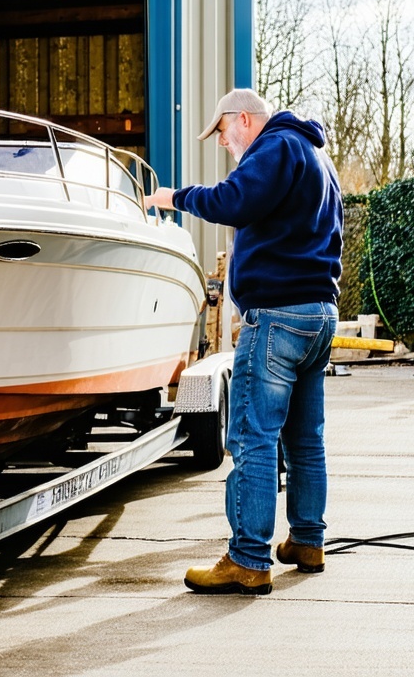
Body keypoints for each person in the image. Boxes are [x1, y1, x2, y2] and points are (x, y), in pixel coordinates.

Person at [144, 88, 343, 595]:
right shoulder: (318, 156)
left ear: (244, 119)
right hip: (319, 315)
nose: (225, 144)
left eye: (224, 132)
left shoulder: (274, 147)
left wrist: (175, 198)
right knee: (304, 438)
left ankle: (248, 559)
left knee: (253, 439)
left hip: (277, 317)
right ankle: (307, 540)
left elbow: (234, 200)